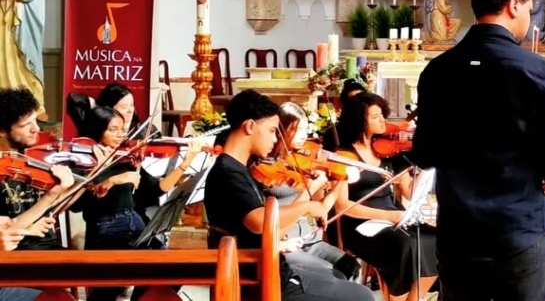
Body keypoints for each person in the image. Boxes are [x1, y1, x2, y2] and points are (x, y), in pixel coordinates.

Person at [411, 0, 545, 300]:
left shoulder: (438, 70)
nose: (530, 20)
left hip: (459, 229)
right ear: (514, 4)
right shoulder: (539, 71)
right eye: (530, 10)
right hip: (519, 227)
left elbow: (424, 152)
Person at [202, 89, 374, 301]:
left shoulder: (237, 169)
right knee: (362, 297)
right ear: (249, 126)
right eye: (273, 130)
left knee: (341, 276)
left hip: (273, 269)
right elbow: (258, 221)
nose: (276, 139)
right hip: (264, 279)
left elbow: (270, 230)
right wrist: (308, 207)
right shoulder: (228, 172)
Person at [70, 105, 203, 301]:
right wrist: (109, 178)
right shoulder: (84, 161)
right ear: (97, 130)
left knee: (172, 269)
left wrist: (185, 163)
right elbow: (76, 205)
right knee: (107, 292)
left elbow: (158, 189)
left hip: (134, 223)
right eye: (112, 129)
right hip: (105, 229)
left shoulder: (126, 158)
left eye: (122, 129)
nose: (120, 135)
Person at [334, 92, 438, 300]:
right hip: (362, 225)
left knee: (436, 238)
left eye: (382, 114)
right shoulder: (343, 156)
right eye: (375, 117)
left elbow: (410, 192)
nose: (384, 120)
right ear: (359, 121)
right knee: (408, 245)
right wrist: (389, 216)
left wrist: (427, 165)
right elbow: (342, 205)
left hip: (395, 217)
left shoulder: (388, 151)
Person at [270, 102, 360, 281]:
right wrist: (311, 186)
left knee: (351, 267)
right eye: (298, 129)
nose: (304, 136)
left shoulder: (306, 163)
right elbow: (283, 215)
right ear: (282, 129)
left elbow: (321, 209)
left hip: (310, 238)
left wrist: (342, 180)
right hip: (285, 241)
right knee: (329, 273)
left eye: (306, 129)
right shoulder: (268, 167)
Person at [0, 87, 73, 251]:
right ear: (2, 131)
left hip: (50, 247)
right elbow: (8, 230)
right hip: (19, 254)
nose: (37, 129)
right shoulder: (3, 169)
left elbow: (53, 209)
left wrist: (91, 175)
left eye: (35, 121)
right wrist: (27, 227)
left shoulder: (35, 159)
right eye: (26, 125)